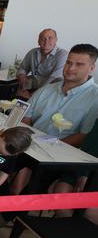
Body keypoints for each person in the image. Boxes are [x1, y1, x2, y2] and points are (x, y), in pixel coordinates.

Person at [9, 44, 98, 196]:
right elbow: (26, 117)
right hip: (29, 142)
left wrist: (46, 147)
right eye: (69, 62)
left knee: (25, 169)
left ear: (91, 68)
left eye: (79, 64)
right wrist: (27, 140)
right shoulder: (48, 89)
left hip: (60, 154)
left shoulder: (95, 97)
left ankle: (12, 205)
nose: (70, 68)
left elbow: (84, 135)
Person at [16, 28, 68, 99]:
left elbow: (54, 79)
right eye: (43, 38)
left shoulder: (63, 54)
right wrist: (21, 75)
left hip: (50, 92)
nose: (46, 41)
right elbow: (22, 68)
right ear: (38, 41)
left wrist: (34, 94)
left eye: (50, 38)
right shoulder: (32, 52)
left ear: (56, 40)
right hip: (31, 88)